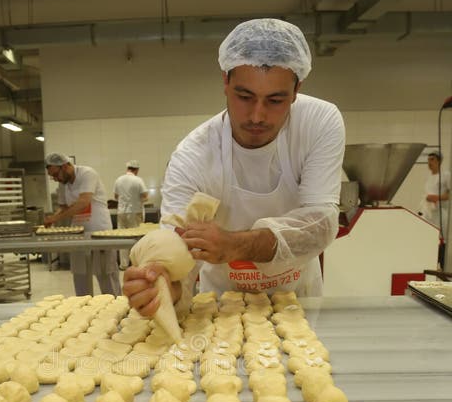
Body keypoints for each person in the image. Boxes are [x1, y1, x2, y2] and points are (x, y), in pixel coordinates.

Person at [123, 18, 345, 318]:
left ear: (296, 90)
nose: (257, 115)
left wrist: (235, 245)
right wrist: (163, 286)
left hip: (298, 302)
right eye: (244, 96)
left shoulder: (319, 122)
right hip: (221, 309)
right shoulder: (193, 156)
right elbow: (177, 252)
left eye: (276, 100)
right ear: (225, 82)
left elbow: (321, 225)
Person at [44, 153, 121, 297]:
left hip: (99, 230)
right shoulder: (63, 184)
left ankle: (117, 305)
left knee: (105, 273)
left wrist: (57, 217)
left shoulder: (87, 173)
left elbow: (84, 201)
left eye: (55, 174)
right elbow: (63, 207)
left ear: (65, 166)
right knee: (80, 274)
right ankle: (82, 305)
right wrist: (53, 218)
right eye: (52, 176)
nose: (55, 179)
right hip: (78, 233)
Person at [113, 160, 148, 268]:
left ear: (127, 168)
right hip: (135, 212)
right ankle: (136, 263)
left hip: (121, 212)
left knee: (122, 239)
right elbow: (145, 196)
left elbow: (115, 197)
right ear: (136, 170)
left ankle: (123, 264)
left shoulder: (118, 180)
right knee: (136, 238)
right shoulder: (138, 180)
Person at [418, 151, 450, 235]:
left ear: (439, 161)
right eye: (428, 160)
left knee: (440, 239)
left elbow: (449, 195)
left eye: (432, 159)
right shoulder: (428, 177)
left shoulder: (446, 175)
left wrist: (436, 197)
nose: (429, 162)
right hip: (428, 214)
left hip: (441, 215)